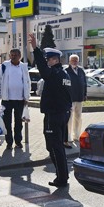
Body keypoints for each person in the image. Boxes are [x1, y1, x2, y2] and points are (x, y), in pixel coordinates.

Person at [28, 33, 71, 188]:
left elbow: (43, 70)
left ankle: (62, 178)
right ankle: (62, 175)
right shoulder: (64, 73)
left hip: (54, 114)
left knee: (55, 146)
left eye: (48, 60)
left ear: (55, 60)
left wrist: (35, 49)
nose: (46, 63)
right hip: (62, 113)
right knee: (54, 145)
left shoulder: (55, 73)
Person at [0, 48, 30, 149]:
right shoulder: (5, 65)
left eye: (15, 55)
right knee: (7, 122)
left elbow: (27, 81)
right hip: (7, 99)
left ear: (19, 56)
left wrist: (26, 96)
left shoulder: (23, 66)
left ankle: (18, 141)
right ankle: (9, 142)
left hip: (20, 99)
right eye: (11, 55)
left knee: (19, 122)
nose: (13, 57)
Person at [65, 54, 87, 147]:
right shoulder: (66, 71)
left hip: (80, 98)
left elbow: (85, 83)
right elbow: (65, 85)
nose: (74, 62)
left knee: (78, 117)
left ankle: (76, 136)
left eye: (76, 60)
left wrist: (85, 94)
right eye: (73, 60)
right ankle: (69, 137)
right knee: (69, 118)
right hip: (70, 98)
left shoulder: (81, 71)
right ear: (69, 61)